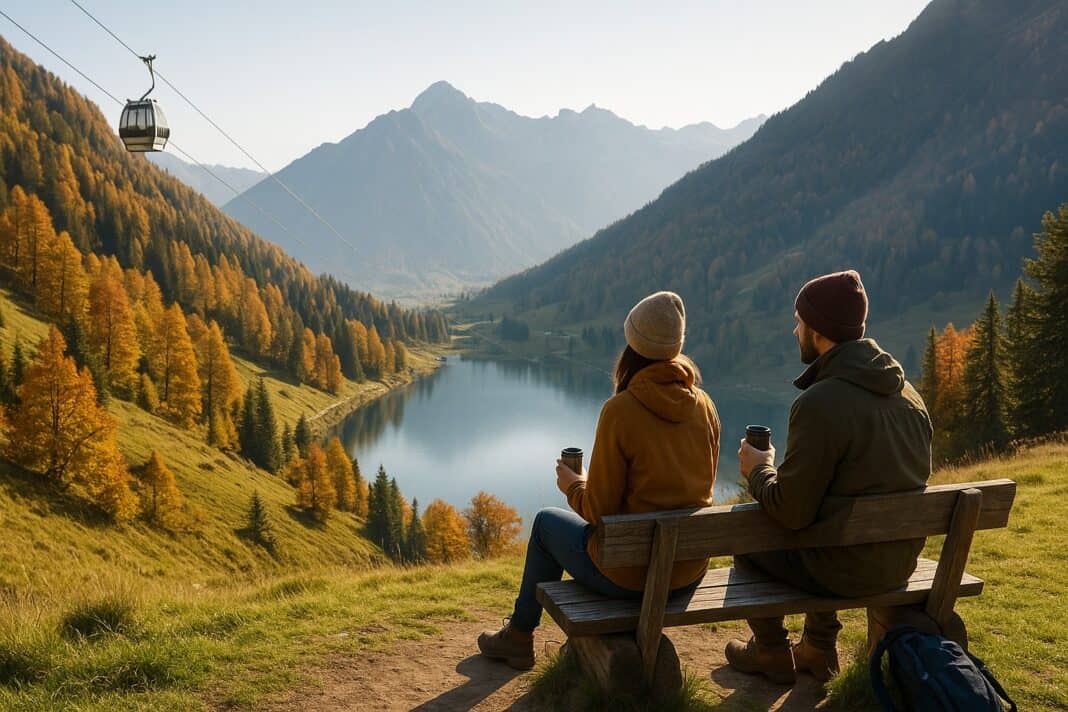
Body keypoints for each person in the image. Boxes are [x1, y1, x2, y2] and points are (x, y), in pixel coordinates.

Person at [477, 291, 721, 670]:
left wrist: (574, 484)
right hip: (687, 571)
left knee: (544, 523)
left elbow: (599, 512)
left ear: (633, 346)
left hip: (629, 576)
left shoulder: (620, 411)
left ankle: (519, 636)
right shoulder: (705, 406)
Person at [727, 269, 933, 684]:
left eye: (799, 321)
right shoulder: (910, 395)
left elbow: (791, 512)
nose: (794, 329)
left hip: (846, 568)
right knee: (830, 525)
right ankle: (818, 648)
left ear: (818, 331)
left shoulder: (821, 403)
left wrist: (758, 469)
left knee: (746, 537)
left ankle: (770, 650)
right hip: (899, 561)